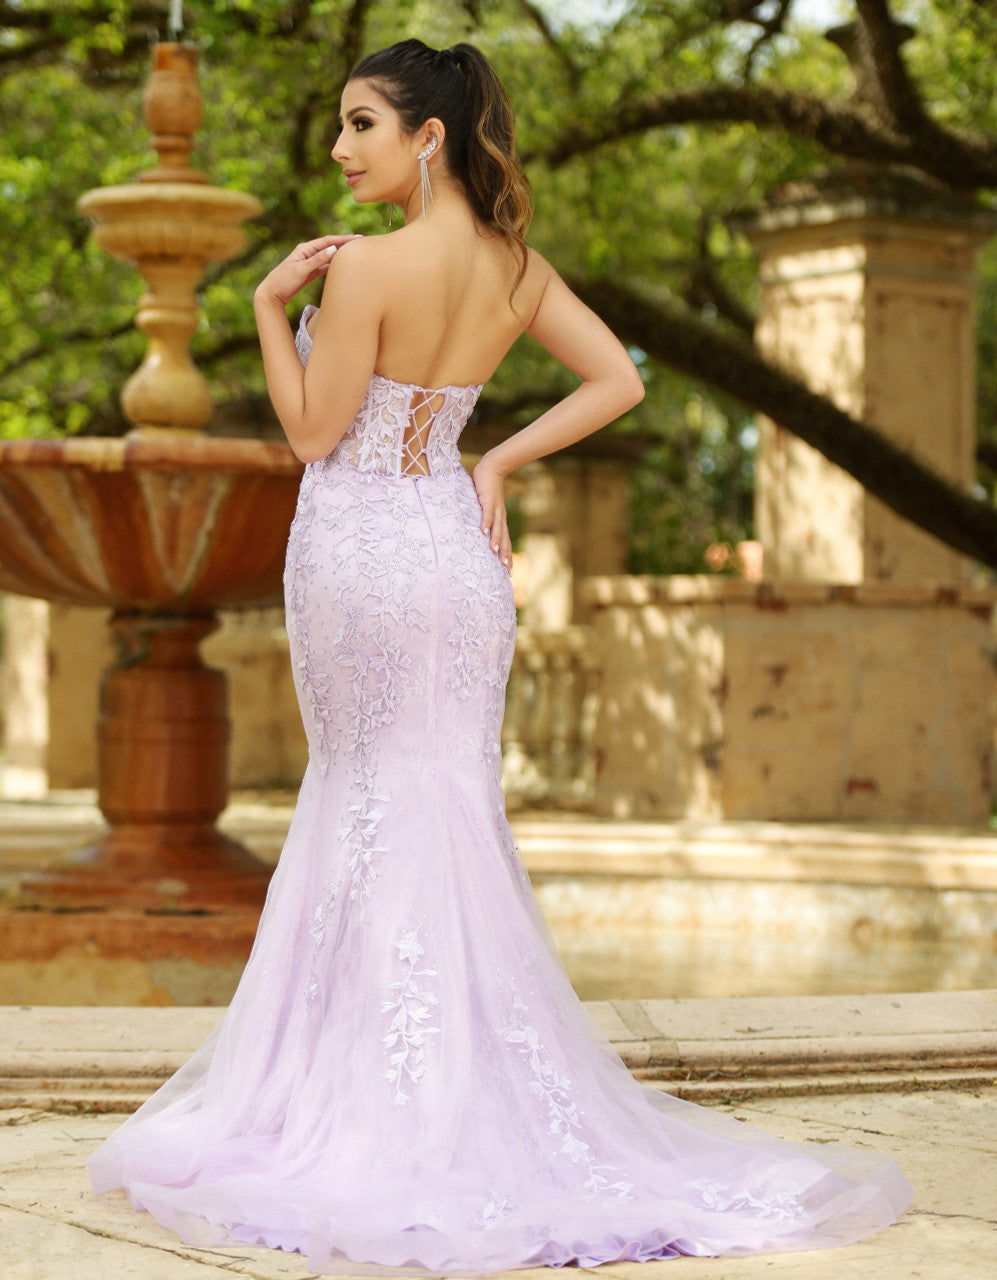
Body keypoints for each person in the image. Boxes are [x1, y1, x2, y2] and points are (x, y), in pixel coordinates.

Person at [88, 38, 912, 1274]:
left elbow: (313, 434)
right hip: (455, 552)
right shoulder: (516, 267)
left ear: (427, 137)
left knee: (364, 792)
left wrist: (264, 307)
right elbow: (618, 380)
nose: (340, 148)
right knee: (444, 800)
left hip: (362, 547)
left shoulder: (365, 268)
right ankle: (463, 1096)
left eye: (361, 124)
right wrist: (497, 458)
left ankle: (374, 1107)